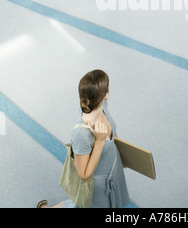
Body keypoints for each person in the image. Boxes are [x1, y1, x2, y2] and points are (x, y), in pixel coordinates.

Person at [37, 69, 130, 208]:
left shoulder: (101, 105)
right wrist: (99, 141)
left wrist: (123, 153)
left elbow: (111, 130)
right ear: (107, 94)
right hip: (97, 186)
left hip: (112, 170)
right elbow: (84, 175)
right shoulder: (81, 134)